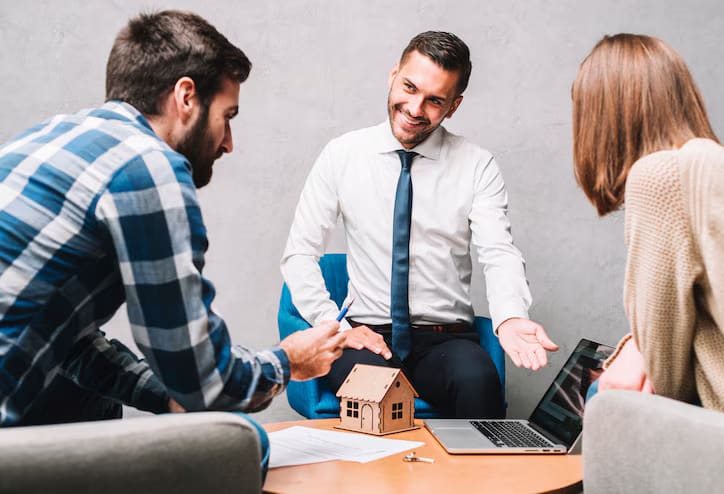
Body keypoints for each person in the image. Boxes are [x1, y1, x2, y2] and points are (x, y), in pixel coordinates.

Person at [0, 10, 346, 476]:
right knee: (241, 447)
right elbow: (204, 381)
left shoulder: (52, 137)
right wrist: (290, 361)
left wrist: (165, 397)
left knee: (97, 403)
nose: (228, 143)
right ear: (186, 97)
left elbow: (65, 342)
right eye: (227, 117)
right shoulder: (149, 167)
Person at [281, 31, 558, 419]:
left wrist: (511, 316)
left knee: (479, 381)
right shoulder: (342, 155)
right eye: (409, 87)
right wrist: (334, 325)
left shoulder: (477, 165)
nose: (414, 108)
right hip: (367, 336)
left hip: (444, 340)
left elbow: (499, 252)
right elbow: (299, 254)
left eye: (434, 100)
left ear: (454, 106)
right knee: (374, 400)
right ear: (393, 74)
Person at [572, 34, 724, 414]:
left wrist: (637, 347)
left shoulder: (661, 176)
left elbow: (665, 378)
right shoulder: (721, 165)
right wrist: (638, 345)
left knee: (602, 397)